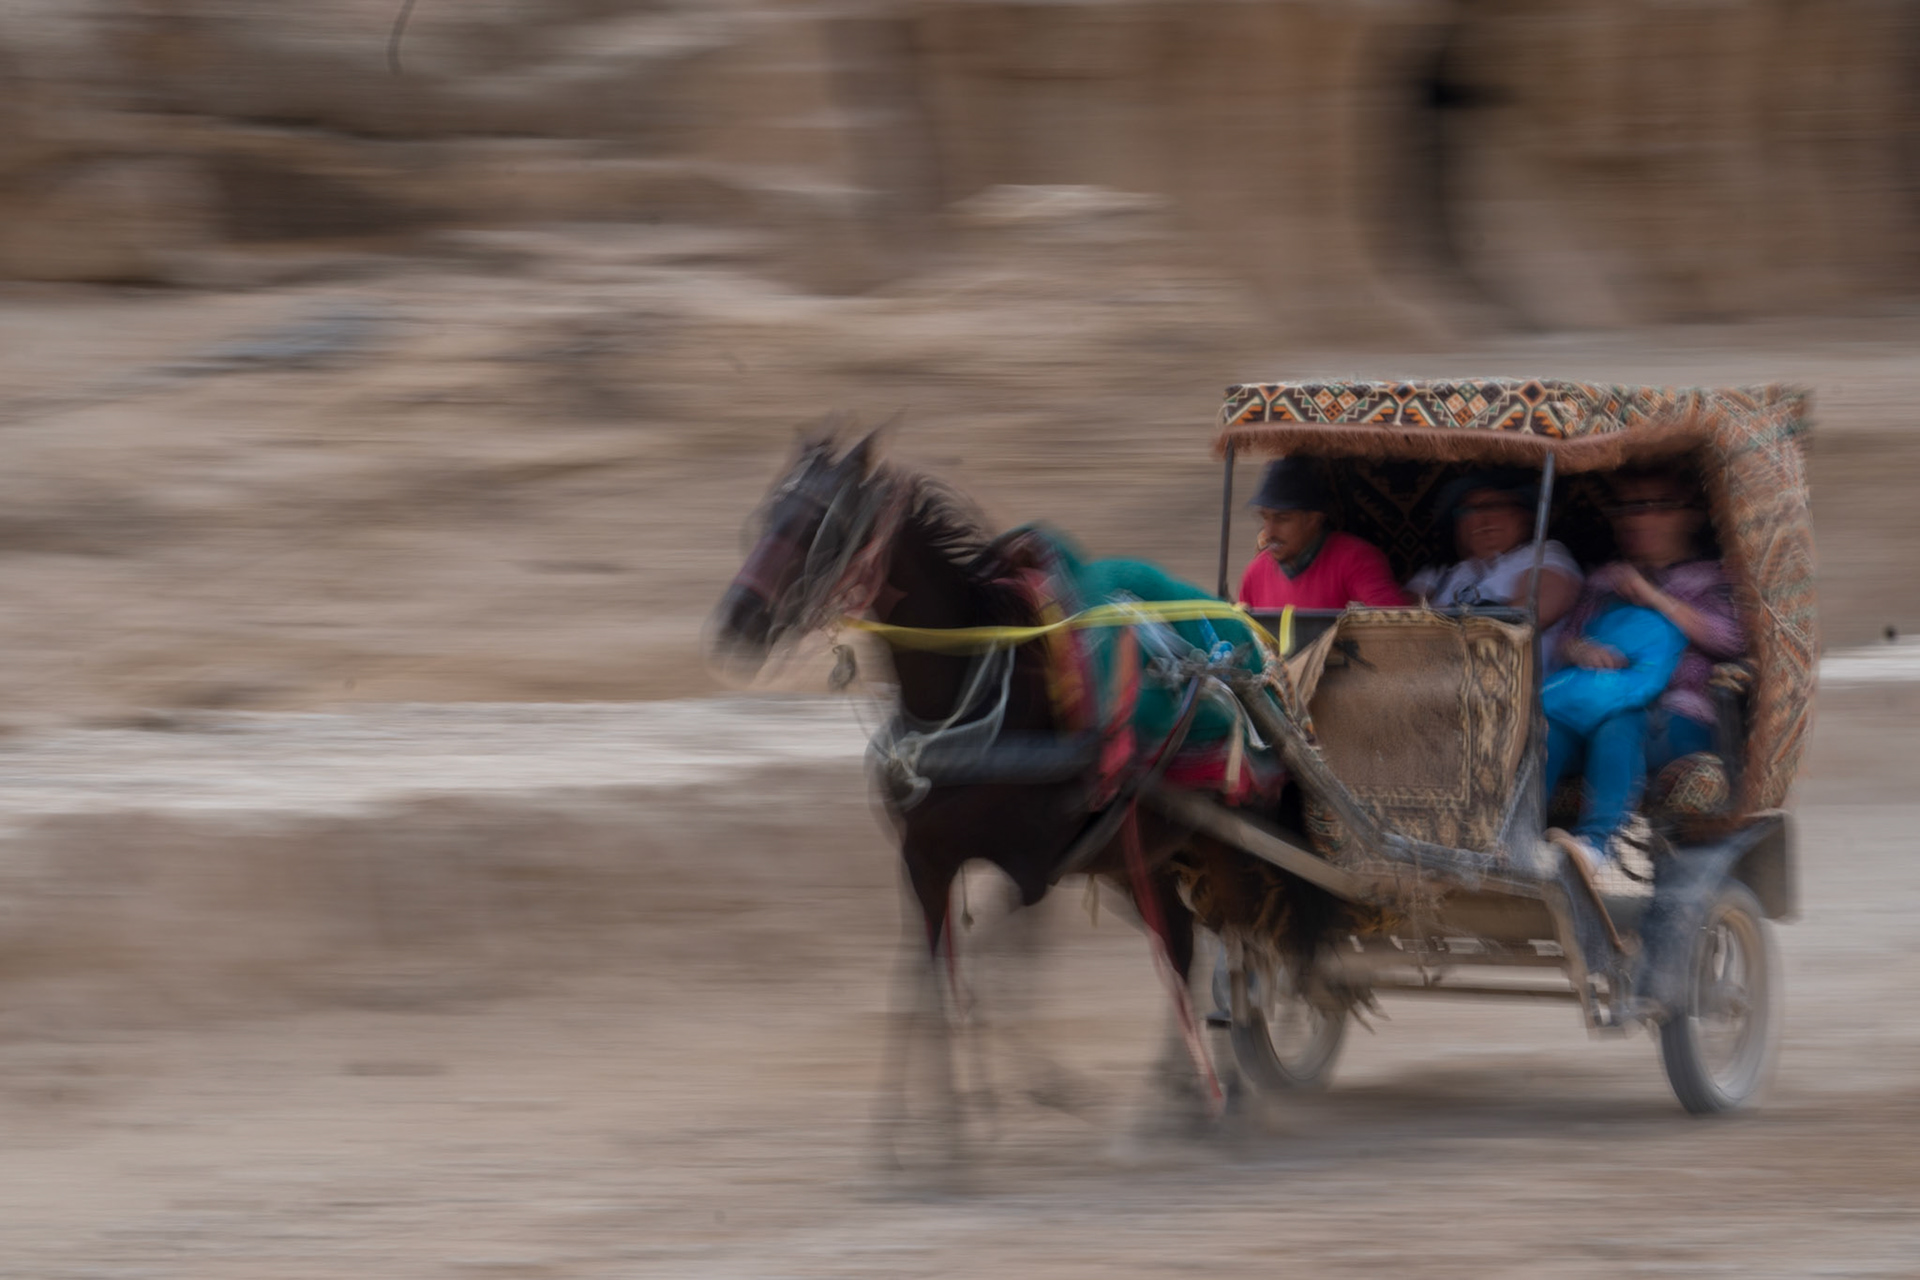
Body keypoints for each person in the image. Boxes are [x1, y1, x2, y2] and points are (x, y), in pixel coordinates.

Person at [1544, 466, 1746, 869]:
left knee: (1620, 724)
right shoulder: (1605, 579)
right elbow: (1567, 639)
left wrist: (1653, 596)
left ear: (1690, 516)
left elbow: (1730, 640)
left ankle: (1597, 845)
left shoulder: (1712, 578)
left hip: (1676, 717)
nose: (1637, 518)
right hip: (1594, 700)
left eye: (1656, 506)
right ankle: (1513, 839)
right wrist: (1582, 650)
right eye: (1628, 509)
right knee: (1542, 734)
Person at [1406, 469, 1582, 654]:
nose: (1485, 520)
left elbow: (1538, 609)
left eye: (1497, 506)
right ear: (1457, 526)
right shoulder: (1439, 572)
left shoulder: (1542, 554)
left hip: (1512, 676)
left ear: (1525, 517)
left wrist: (1447, 625)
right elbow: (1397, 619)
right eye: (1471, 510)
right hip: (1432, 672)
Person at [1236, 458, 1408, 610]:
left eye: (1282, 519)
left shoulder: (1357, 560)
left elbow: (1394, 630)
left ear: (1313, 519)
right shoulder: (1255, 573)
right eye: (1265, 517)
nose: (1269, 532)